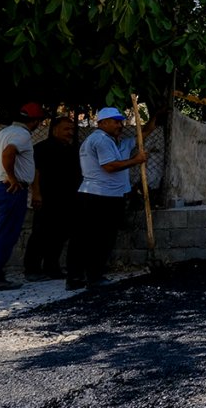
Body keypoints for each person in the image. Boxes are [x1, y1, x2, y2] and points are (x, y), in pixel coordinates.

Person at [65, 107, 152, 290]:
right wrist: (136, 160)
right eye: (115, 121)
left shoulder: (113, 142)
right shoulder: (100, 140)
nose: (119, 125)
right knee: (100, 238)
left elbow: (143, 133)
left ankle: (76, 277)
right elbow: (110, 166)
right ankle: (94, 277)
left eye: (120, 121)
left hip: (101, 194)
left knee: (85, 237)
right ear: (102, 123)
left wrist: (157, 116)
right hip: (100, 196)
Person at [0, 102, 46, 291]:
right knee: (6, 236)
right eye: (40, 121)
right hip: (12, 189)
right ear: (35, 121)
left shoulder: (5, 132)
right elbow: (9, 152)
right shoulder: (23, 135)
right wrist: (11, 176)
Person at [22, 116, 82, 281]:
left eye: (72, 130)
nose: (70, 133)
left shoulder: (71, 149)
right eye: (66, 129)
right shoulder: (42, 148)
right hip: (47, 198)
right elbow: (35, 172)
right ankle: (32, 269)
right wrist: (36, 193)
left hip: (67, 199)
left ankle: (51, 267)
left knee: (60, 234)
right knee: (41, 233)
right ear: (55, 129)